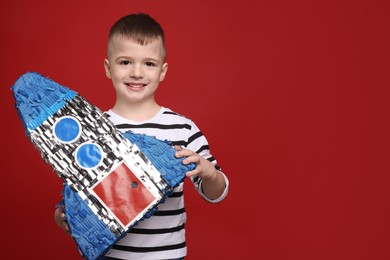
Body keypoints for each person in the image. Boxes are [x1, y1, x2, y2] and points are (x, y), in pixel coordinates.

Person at [54, 13, 229, 260]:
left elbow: (216, 193)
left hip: (167, 256)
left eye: (149, 63)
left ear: (163, 71)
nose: (137, 73)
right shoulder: (95, 128)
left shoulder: (182, 128)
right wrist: (65, 215)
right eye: (125, 62)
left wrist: (208, 172)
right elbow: (79, 190)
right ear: (108, 68)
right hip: (111, 255)